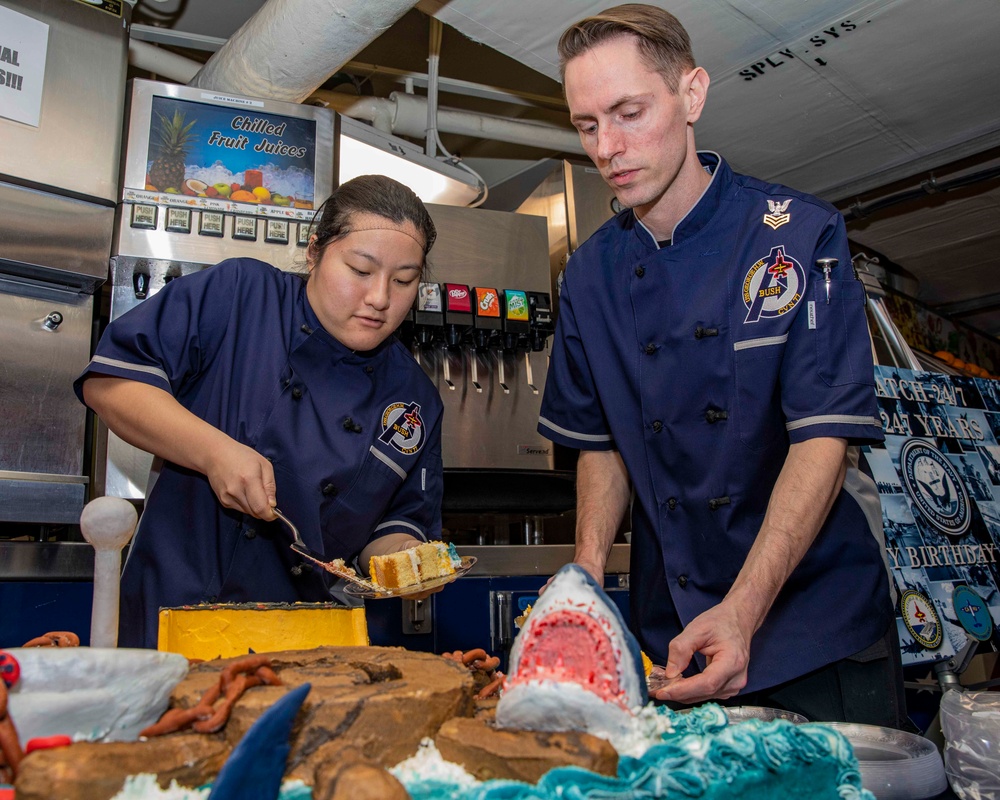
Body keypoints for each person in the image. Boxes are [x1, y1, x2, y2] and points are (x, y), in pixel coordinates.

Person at [538, 4, 906, 726]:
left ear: (692, 94)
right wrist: (582, 584)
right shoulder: (588, 276)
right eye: (587, 125)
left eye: (629, 112)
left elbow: (821, 440)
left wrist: (742, 611)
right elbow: (602, 445)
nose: (608, 146)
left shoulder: (798, 235)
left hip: (812, 630)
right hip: (669, 630)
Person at [75, 174, 444, 649]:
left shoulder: (415, 400)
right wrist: (215, 453)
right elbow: (112, 383)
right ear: (314, 252)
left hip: (302, 642)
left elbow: (394, 530)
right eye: (360, 270)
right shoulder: (240, 296)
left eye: (404, 281)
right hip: (168, 620)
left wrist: (412, 561)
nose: (380, 298)